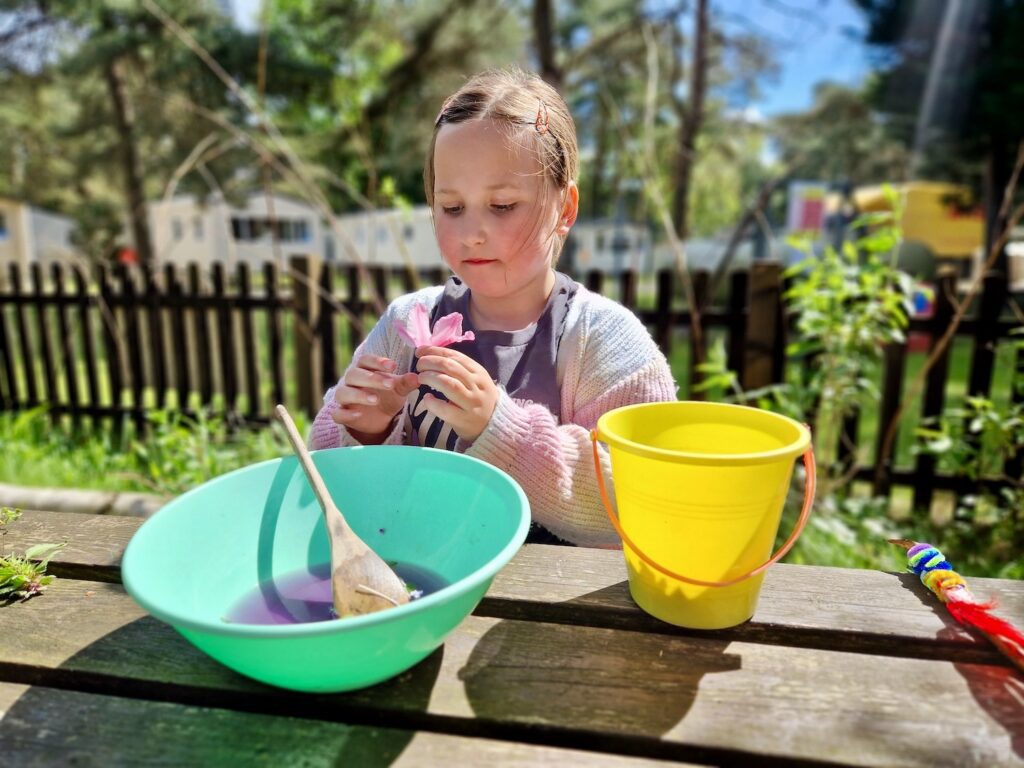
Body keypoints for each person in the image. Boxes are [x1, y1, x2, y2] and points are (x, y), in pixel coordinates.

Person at [310, 67, 676, 547]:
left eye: (502, 206)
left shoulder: (604, 339)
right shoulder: (407, 324)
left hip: (548, 608)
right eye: (452, 208)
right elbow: (322, 465)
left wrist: (502, 432)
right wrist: (365, 431)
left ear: (565, 209)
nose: (471, 233)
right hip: (417, 581)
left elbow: (644, 497)